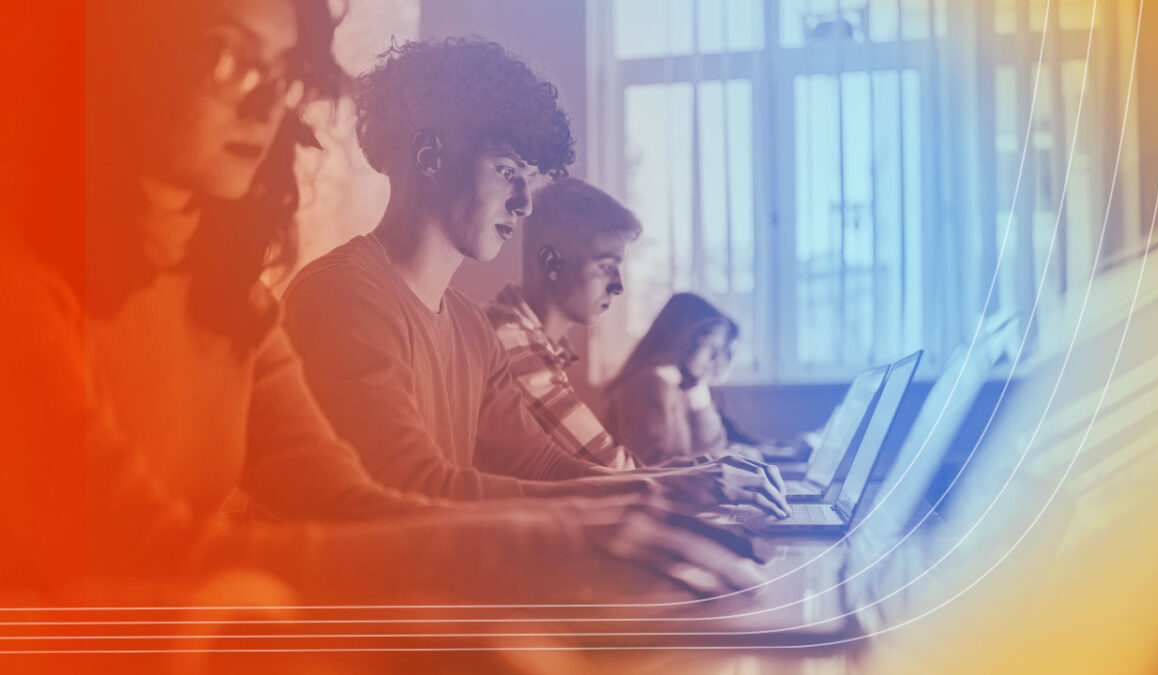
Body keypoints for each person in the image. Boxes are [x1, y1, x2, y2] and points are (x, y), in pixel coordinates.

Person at [5, 0, 775, 625]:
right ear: (113, 54)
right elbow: (137, 551)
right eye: (223, 54)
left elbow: (352, 497)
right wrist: (559, 538)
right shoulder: (30, 288)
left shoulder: (234, 297)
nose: (264, 102)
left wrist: (651, 498)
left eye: (280, 73)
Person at [283, 38, 790, 516]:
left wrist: (671, 488)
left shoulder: (471, 326)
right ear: (430, 156)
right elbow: (415, 488)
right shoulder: (343, 298)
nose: (524, 204)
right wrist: (651, 493)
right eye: (508, 171)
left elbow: (542, 466)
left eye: (528, 180)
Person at [486, 177, 641, 470]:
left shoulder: (541, 342)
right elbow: (614, 470)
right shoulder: (512, 339)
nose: (618, 286)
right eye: (607, 267)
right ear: (552, 264)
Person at [605, 293, 745, 466]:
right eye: (710, 346)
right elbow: (655, 467)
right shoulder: (647, 384)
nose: (716, 359)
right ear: (683, 337)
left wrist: (699, 397)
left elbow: (712, 449)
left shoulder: (679, 385)